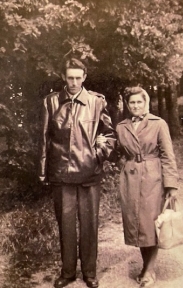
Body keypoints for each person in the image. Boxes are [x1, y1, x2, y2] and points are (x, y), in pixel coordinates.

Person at [38, 58, 116, 288]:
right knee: (66, 225)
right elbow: (44, 139)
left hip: (90, 175)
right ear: (64, 77)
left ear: (84, 78)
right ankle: (68, 272)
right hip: (61, 174)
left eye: (77, 78)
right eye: (69, 77)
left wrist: (98, 155)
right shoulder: (50, 103)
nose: (73, 82)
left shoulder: (96, 102)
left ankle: (90, 272)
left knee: (89, 224)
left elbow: (110, 135)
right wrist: (42, 171)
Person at [115, 86, 179, 287]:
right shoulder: (121, 126)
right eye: (132, 102)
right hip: (130, 178)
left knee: (151, 224)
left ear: (146, 103)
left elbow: (168, 155)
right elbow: (118, 152)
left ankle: (149, 270)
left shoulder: (158, 124)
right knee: (137, 225)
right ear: (128, 105)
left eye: (139, 102)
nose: (135, 105)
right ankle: (146, 266)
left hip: (153, 178)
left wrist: (171, 185)